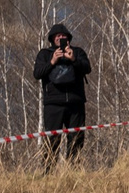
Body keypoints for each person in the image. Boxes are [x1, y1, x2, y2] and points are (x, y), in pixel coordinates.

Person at [31, 23, 91, 167]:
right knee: (52, 140)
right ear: (52, 39)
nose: (61, 38)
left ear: (68, 38)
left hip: (75, 103)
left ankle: (74, 170)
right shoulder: (45, 54)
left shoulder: (77, 52)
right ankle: (48, 172)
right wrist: (52, 61)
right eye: (58, 36)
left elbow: (87, 69)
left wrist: (73, 59)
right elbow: (37, 74)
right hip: (53, 103)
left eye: (64, 36)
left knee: (76, 139)